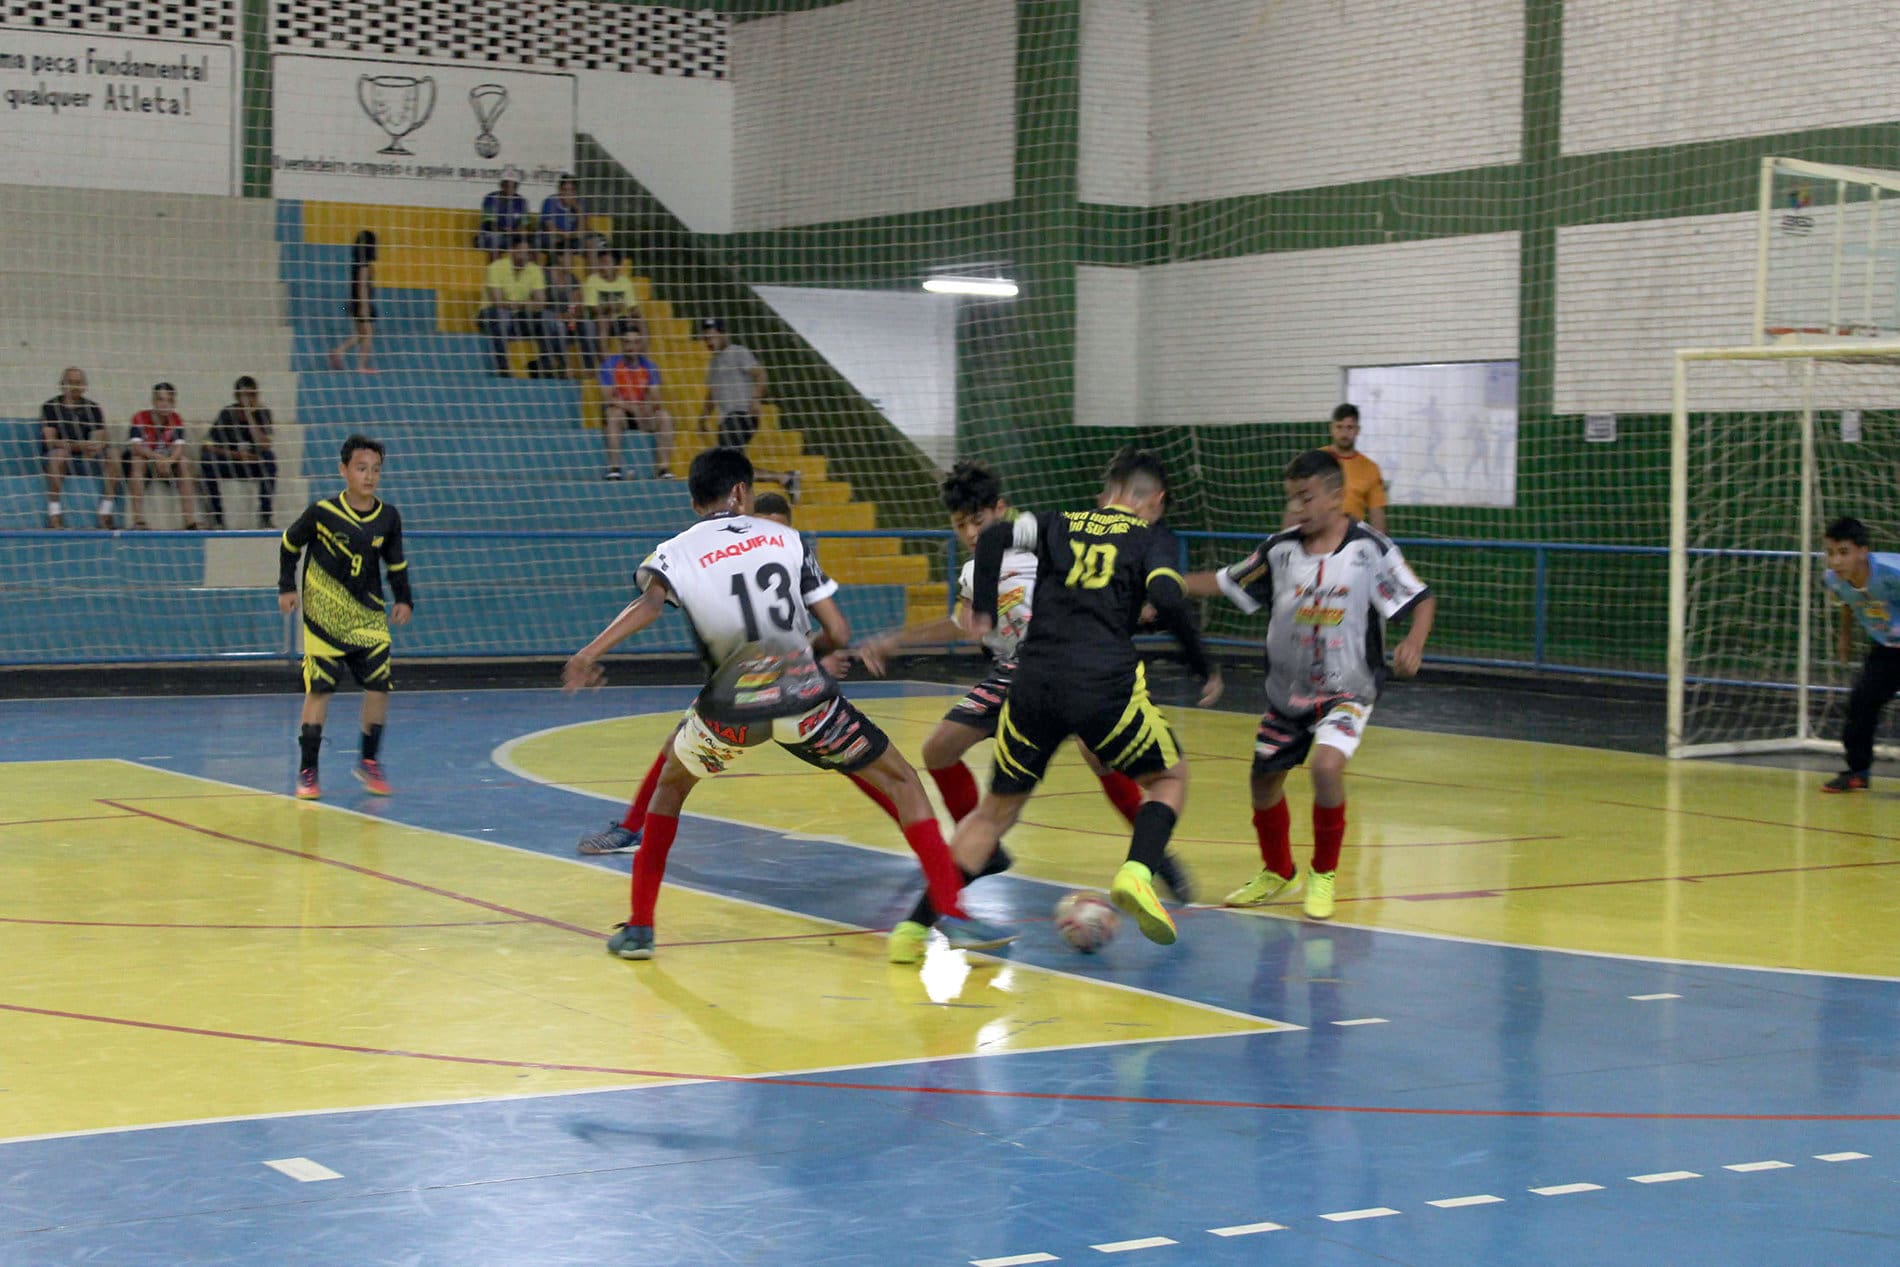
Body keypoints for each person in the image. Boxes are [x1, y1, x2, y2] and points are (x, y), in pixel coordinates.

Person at [560, 447, 986, 961]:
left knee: (668, 792)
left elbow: (649, 604)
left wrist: (588, 653)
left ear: (695, 501)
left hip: (730, 714)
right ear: (742, 492)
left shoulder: (674, 551)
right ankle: (954, 915)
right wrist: (811, 656)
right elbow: (838, 631)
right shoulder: (786, 538)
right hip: (807, 705)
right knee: (903, 782)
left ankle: (640, 930)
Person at [854, 460, 1197, 962]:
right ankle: (984, 847)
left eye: (977, 521)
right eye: (960, 526)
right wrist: (897, 640)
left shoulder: (1042, 545)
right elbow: (963, 625)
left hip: (1048, 672)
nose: (971, 534)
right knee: (939, 748)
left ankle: (1153, 854)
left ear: (1000, 510)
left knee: (1097, 752)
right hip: (1014, 676)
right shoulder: (980, 568)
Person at [1184, 448, 1435, 920]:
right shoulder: (1279, 550)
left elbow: (1420, 599)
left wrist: (1414, 643)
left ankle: (1323, 875)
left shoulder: (1369, 549)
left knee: (1325, 768)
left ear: (1337, 497)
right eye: (1292, 499)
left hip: (1348, 690)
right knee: (1262, 782)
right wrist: (1169, 583)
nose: (1297, 508)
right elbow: (1224, 580)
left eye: (1306, 498)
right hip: (1288, 695)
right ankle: (1278, 871)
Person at [277, 434, 414, 801]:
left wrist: (403, 598)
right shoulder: (322, 512)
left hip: (368, 616)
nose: (369, 476)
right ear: (344, 470)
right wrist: (286, 587)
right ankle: (308, 770)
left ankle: (368, 761)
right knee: (320, 689)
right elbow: (289, 545)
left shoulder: (388, 517)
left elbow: (396, 563)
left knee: (379, 685)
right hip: (324, 617)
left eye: (375, 470)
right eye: (361, 468)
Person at [1819, 516, 1900, 793]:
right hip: (1888, 649)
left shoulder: (1892, 572)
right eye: (1830, 553)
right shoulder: (1834, 580)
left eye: (1843, 552)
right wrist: (1845, 637)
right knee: (1861, 703)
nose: (1836, 561)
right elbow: (1847, 602)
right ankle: (1857, 772)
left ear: (1863, 551)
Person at [697, 318, 798, 501]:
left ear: (723, 334)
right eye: (706, 338)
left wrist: (755, 400)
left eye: (712, 337)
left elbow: (760, 374)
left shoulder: (738, 352)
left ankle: (750, 495)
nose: (709, 341)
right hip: (726, 420)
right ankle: (785, 478)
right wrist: (702, 418)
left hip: (742, 415)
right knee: (731, 464)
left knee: (730, 463)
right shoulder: (713, 363)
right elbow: (712, 393)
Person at [38, 366, 120, 529]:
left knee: (114, 454)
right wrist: (78, 446)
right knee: (58, 455)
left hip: (86, 456)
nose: (75, 386)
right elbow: (50, 441)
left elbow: (100, 438)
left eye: (78, 383)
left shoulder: (93, 408)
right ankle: (54, 514)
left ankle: (105, 511)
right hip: (61, 456)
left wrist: (94, 445)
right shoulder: (50, 407)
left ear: (84, 386)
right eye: (71, 382)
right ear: (62, 384)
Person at [478, 234, 567, 378]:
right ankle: (503, 368)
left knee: (549, 318)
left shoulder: (535, 270)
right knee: (502, 316)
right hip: (490, 315)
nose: (525, 257)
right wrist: (526, 304)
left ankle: (545, 366)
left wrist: (517, 305)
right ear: (512, 250)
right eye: (521, 252)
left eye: (528, 253)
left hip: (518, 317)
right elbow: (497, 302)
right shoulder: (496, 267)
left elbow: (541, 303)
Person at [201, 375, 278, 529]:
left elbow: (265, 445)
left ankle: (265, 517)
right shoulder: (227, 413)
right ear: (237, 396)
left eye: (252, 395)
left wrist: (249, 416)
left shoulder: (263, 413)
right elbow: (207, 445)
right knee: (207, 460)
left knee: (269, 460)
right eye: (245, 395)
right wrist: (236, 455)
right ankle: (218, 519)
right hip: (232, 462)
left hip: (253, 463)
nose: (248, 399)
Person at [598, 326, 672, 481]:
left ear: (641, 345)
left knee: (664, 417)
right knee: (613, 413)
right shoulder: (610, 365)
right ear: (621, 344)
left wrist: (646, 409)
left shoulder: (650, 366)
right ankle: (614, 469)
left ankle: (663, 469)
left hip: (643, 414)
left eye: (635, 342)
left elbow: (656, 397)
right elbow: (607, 397)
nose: (631, 347)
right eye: (627, 342)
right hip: (622, 414)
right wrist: (632, 407)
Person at [127, 383, 203, 530]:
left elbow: (179, 449)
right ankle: (139, 520)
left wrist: (168, 461)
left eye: (168, 400)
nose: (164, 404)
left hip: (167, 464)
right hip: (148, 462)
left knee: (184, 462)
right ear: (154, 401)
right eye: (161, 400)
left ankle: (190, 521)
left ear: (173, 403)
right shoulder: (140, 417)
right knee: (137, 461)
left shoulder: (176, 420)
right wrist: (157, 458)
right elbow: (137, 447)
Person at [1324, 403, 1387, 533]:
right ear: (1331, 428)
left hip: (1352, 540)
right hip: (1319, 536)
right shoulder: (1316, 459)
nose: (1344, 433)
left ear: (1358, 430)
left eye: (1349, 427)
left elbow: (1377, 515)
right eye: (1339, 427)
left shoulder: (1370, 468)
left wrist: (1381, 545)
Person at [579, 249, 641, 367]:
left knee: (640, 322)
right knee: (603, 320)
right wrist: (611, 306)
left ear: (616, 266)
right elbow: (594, 309)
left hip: (617, 319)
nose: (602, 266)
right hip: (596, 319)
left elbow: (632, 306)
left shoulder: (624, 282)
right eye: (600, 263)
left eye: (606, 263)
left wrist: (635, 312)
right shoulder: (593, 280)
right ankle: (606, 366)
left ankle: (641, 362)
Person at [328, 231, 378, 374]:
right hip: (361, 302)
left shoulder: (357, 264)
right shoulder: (365, 266)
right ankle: (361, 365)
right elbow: (362, 285)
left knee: (363, 333)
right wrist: (364, 306)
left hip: (355, 301)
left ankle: (338, 351)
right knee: (367, 333)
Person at [477, 170, 529, 256]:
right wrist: (505, 231)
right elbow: (489, 224)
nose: (510, 188)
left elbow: (525, 224)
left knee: (527, 243)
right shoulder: (490, 198)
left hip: (512, 236)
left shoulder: (521, 201)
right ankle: (495, 269)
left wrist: (515, 231)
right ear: (501, 185)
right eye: (507, 185)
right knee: (496, 239)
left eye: (514, 185)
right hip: (490, 235)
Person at [538, 174, 587, 260]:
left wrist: (577, 209)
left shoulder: (580, 203)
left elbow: (582, 230)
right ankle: (553, 270)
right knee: (553, 240)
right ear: (559, 190)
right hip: (554, 237)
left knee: (589, 243)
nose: (568, 193)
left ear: (575, 192)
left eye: (571, 190)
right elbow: (551, 229)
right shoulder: (550, 201)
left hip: (572, 239)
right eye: (565, 190)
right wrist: (566, 235)